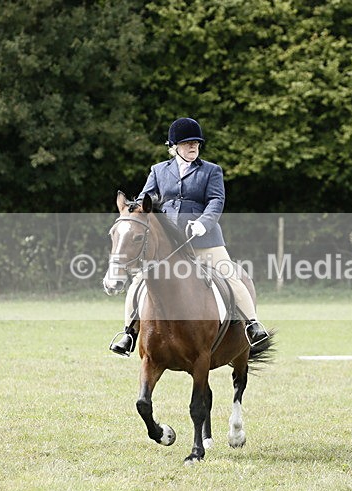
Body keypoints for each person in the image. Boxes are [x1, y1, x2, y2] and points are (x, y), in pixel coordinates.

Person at [110, 117, 269, 355]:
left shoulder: (211, 171)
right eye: (187, 144)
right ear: (174, 147)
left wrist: (203, 224)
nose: (193, 147)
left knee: (229, 272)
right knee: (139, 281)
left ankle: (252, 325)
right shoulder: (159, 171)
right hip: (168, 242)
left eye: (196, 143)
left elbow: (217, 201)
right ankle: (128, 333)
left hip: (205, 239)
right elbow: (144, 199)